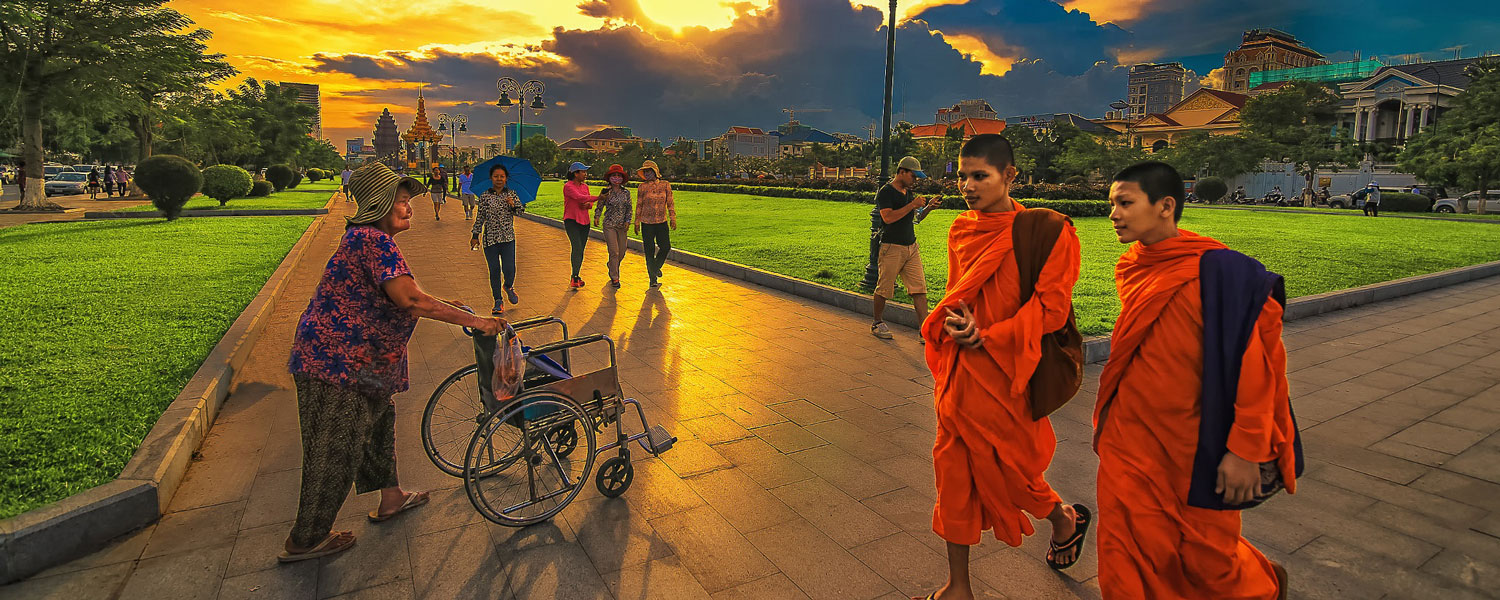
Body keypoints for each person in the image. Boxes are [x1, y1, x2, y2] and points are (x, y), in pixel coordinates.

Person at [1095, 161, 1300, 600]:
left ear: (1166, 206)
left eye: (1125, 203)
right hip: (1130, 439)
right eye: (1112, 203)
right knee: (1123, 556)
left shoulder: (1223, 275)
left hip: (1195, 445)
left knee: (1208, 561)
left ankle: (1262, 582)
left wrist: (1246, 449)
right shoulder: (1133, 265)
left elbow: (1256, 368)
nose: (1113, 213)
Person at [282, 162, 504, 563]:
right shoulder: (373, 240)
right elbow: (411, 299)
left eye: (407, 201)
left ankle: (391, 498)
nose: (408, 207)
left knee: (378, 430)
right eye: (400, 201)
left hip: (362, 365)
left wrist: (448, 305)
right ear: (378, 203)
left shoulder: (367, 240)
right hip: (337, 364)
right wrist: (477, 321)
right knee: (335, 450)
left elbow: (404, 292)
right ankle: (306, 538)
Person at [917, 135, 1090, 600]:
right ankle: (959, 587)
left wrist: (988, 336)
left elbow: (1052, 309)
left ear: (1009, 176)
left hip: (1008, 373)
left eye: (980, 176)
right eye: (962, 176)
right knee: (951, 469)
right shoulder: (961, 229)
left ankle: (1063, 518)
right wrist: (956, 327)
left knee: (1013, 472)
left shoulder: (1048, 230)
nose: (968, 186)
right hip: (961, 373)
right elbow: (959, 294)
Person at [871, 156, 942, 340]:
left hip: (911, 246)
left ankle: (924, 330)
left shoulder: (907, 192)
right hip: (891, 247)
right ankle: (877, 322)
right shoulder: (886, 192)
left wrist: (928, 209)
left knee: (919, 289)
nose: (915, 180)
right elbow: (887, 218)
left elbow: (915, 218)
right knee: (884, 288)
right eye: (913, 176)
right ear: (902, 172)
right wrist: (912, 205)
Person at [471, 164, 526, 314]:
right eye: (496, 176)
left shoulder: (512, 194)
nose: (499, 179)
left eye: (502, 176)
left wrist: (513, 205)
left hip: (508, 238)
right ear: (491, 178)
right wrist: (475, 235)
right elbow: (480, 217)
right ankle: (498, 301)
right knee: (494, 270)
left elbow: (521, 211)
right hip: (490, 240)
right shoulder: (485, 196)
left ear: (506, 178)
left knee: (509, 269)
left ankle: (508, 286)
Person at [633, 160, 675, 289]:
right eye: (645, 172)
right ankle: (652, 278)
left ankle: (656, 267)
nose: (647, 174)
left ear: (655, 172)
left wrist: (673, 217)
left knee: (665, 247)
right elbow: (639, 204)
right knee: (649, 250)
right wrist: (636, 221)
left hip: (662, 222)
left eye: (649, 171)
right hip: (647, 223)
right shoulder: (642, 187)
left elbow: (670, 203)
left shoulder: (665, 185)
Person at [593, 164, 633, 288]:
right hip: (609, 224)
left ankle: (611, 265)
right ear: (609, 178)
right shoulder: (606, 191)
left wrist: (628, 221)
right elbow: (599, 205)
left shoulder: (626, 192)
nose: (616, 178)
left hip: (622, 225)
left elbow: (629, 208)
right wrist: (597, 216)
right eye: (614, 175)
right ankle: (615, 277)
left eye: (618, 176)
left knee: (621, 252)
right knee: (614, 251)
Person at [561, 162, 597, 289]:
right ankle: (575, 277)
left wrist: (588, 205)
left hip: (584, 222)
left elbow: (587, 202)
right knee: (576, 247)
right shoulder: (568, 186)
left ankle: (575, 275)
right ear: (575, 174)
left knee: (581, 249)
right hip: (572, 221)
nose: (585, 174)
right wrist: (599, 197)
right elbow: (579, 197)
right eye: (583, 172)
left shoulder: (585, 186)